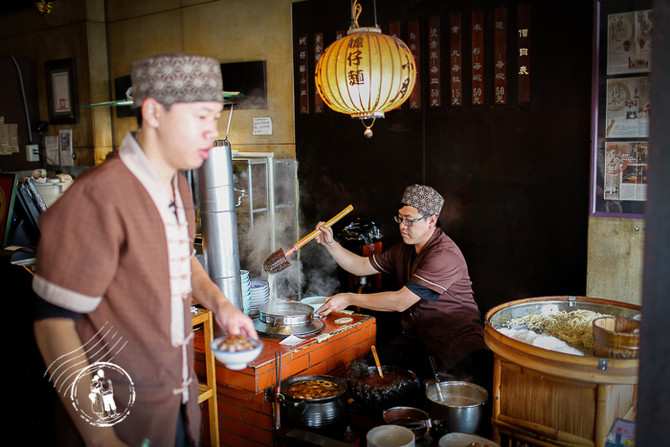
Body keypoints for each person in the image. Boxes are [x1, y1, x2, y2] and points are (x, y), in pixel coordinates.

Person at [32, 53, 257, 447]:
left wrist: (220, 303)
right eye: (201, 116)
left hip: (176, 401)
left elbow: (183, 259)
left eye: (215, 117)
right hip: (117, 416)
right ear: (153, 112)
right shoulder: (99, 197)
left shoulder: (178, 184)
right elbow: (52, 328)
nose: (212, 131)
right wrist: (101, 439)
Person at [315, 185, 491, 389]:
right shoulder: (404, 250)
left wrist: (348, 298)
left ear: (431, 220)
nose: (402, 226)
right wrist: (330, 244)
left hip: (460, 349)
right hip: (421, 343)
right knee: (364, 371)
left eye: (410, 220)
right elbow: (361, 266)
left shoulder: (444, 255)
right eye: (400, 219)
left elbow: (401, 301)